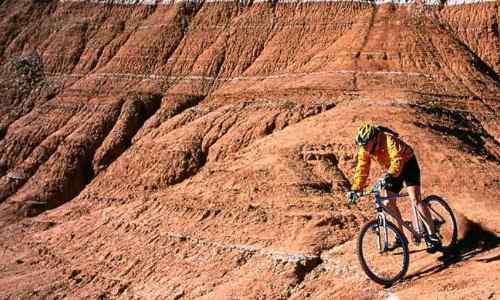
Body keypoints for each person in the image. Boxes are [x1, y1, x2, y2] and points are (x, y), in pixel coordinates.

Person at [346, 123, 440, 250]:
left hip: (407, 164)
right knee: (389, 204)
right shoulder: (365, 149)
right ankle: (400, 237)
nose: (363, 147)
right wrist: (355, 189)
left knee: (415, 199)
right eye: (361, 145)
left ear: (373, 139)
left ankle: (432, 235)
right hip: (392, 170)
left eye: (365, 144)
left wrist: (390, 175)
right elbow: (362, 169)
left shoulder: (388, 139)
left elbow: (397, 158)